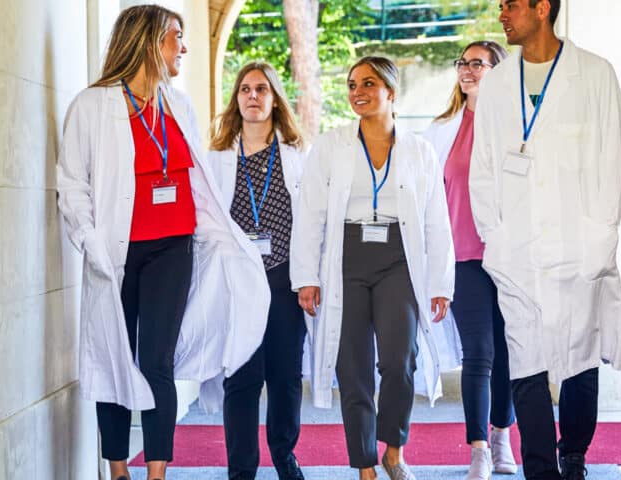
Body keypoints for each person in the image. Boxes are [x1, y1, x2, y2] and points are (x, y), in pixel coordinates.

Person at [56, 6, 269, 480]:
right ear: (150, 41)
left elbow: (197, 182)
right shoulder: (91, 106)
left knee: (157, 360)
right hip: (115, 252)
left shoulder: (178, 104)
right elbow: (71, 185)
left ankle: (156, 472)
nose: (183, 48)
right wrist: (90, 241)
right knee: (113, 353)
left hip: (173, 248)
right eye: (177, 37)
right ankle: (117, 470)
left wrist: (222, 241)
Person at [468, 1, 621, 479]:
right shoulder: (497, 83)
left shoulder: (595, 74)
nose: (502, 14)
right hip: (516, 248)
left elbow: (612, 160)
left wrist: (600, 239)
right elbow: (484, 167)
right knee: (526, 359)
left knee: (579, 356)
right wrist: (493, 237)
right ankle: (540, 467)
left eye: (511, 5)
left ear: (542, 8)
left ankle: (573, 452)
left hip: (578, 247)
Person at [290, 56, 455, 480]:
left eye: (368, 83)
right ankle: (364, 464)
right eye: (351, 85)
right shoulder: (330, 145)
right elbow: (309, 213)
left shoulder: (419, 150)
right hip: (346, 259)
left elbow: (437, 219)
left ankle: (393, 451)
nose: (357, 91)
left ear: (391, 92)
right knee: (352, 365)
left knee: (401, 359)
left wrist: (440, 282)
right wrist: (306, 277)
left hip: (399, 260)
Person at [422, 40, 518, 479]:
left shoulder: (516, 125)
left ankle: (502, 436)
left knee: (509, 351)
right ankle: (479, 447)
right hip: (462, 258)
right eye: (463, 63)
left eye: (478, 63)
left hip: (511, 256)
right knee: (479, 352)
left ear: (499, 69)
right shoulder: (441, 130)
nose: (467, 70)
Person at [207, 62, 308, 480]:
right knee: (242, 378)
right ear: (236, 99)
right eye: (245, 89)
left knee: (285, 377)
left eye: (261, 89)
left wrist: (310, 279)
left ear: (274, 99)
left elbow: (312, 221)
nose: (252, 96)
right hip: (238, 283)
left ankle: (285, 457)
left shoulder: (298, 156)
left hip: (284, 279)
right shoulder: (215, 160)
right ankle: (241, 469)